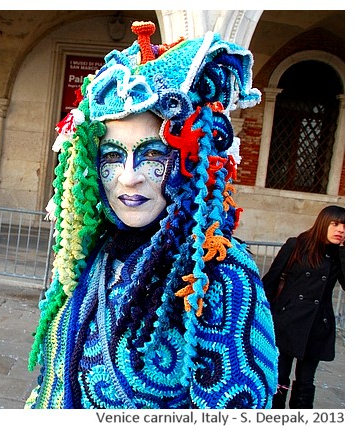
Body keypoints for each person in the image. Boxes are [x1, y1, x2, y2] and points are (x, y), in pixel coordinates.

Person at [25, 21, 278, 409]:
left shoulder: (221, 277)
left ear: (191, 160)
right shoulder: (98, 253)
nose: (129, 178)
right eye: (112, 157)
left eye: (153, 156)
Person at [263, 205, 345, 409]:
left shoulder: (338, 255)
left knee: (306, 380)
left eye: (346, 226)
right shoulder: (296, 245)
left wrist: (345, 252)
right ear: (323, 223)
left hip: (317, 327)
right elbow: (269, 283)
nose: (341, 230)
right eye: (336, 224)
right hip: (285, 323)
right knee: (280, 377)